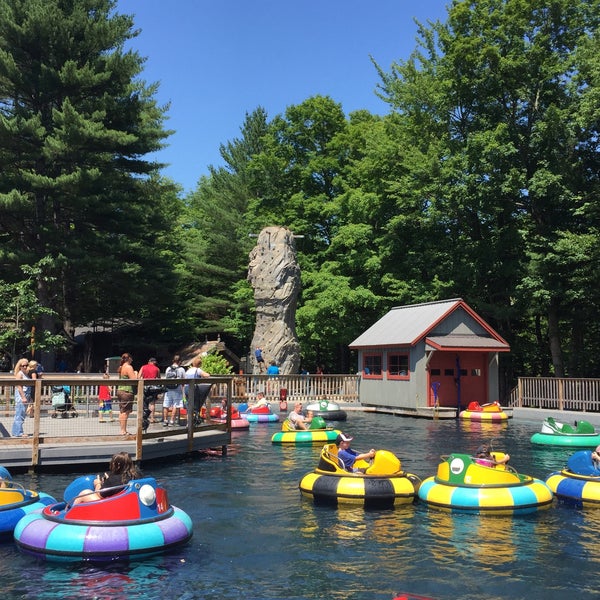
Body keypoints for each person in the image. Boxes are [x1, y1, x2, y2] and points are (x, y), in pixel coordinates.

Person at [72, 452, 142, 505]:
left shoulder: (113, 480)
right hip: (128, 504)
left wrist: (98, 484)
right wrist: (107, 481)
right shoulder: (138, 475)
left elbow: (99, 495)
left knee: (85, 493)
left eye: (112, 463)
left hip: (112, 506)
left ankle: (68, 515)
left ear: (118, 465)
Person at [185, 355, 211, 425]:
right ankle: (194, 421)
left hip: (187, 388)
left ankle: (189, 422)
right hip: (194, 389)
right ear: (199, 364)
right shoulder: (197, 370)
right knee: (196, 405)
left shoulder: (188, 370)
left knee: (189, 406)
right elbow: (207, 375)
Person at [116, 353, 137, 436]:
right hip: (127, 391)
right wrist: (136, 373)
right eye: (131, 358)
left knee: (122, 411)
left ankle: (122, 429)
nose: (132, 360)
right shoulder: (128, 367)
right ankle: (123, 430)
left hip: (120, 390)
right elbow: (134, 380)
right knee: (125, 412)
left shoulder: (121, 367)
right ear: (129, 359)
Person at [163, 355, 185, 426]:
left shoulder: (168, 368)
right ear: (180, 361)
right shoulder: (181, 369)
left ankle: (165, 420)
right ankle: (172, 421)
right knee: (176, 405)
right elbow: (184, 380)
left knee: (166, 405)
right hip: (177, 389)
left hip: (168, 389)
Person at [11, 359, 31, 438]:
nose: (25, 367)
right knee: (20, 414)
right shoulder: (20, 374)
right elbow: (19, 386)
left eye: (26, 365)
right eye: (23, 366)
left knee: (21, 414)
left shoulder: (25, 374)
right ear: (19, 366)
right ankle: (19, 432)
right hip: (21, 395)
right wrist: (23, 397)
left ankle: (15, 431)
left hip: (26, 394)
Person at [139, 357, 161, 424]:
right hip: (153, 387)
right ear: (154, 362)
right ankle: (152, 418)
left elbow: (139, 376)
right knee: (152, 403)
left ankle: (143, 417)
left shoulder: (143, 367)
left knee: (144, 402)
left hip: (144, 386)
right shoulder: (157, 369)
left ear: (149, 361)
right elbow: (159, 378)